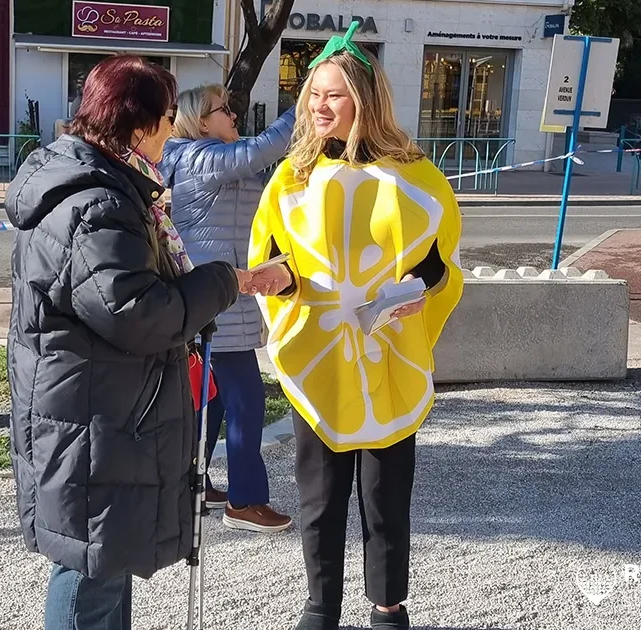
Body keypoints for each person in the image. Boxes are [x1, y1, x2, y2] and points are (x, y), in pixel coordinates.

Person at [4, 55, 250, 630]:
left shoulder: (99, 183)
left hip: (94, 405)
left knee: (105, 559)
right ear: (138, 126)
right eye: (165, 118)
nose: (171, 129)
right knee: (91, 567)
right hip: (94, 415)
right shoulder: (100, 204)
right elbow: (138, 313)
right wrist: (224, 281)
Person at [245, 22, 464, 630]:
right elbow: (280, 256)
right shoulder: (291, 177)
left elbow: (437, 259)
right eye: (313, 94)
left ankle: (388, 607)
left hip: (387, 354)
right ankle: (321, 608)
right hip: (319, 361)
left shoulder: (412, 174)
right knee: (319, 497)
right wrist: (274, 279)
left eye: (333, 95)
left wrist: (420, 288)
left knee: (384, 496)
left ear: (364, 100)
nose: (319, 106)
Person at [160, 84, 296, 533]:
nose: (235, 116)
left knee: (212, 401)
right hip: (217, 302)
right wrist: (306, 104)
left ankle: (192, 487)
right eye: (225, 110)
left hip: (222, 298)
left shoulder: (216, 160)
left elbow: (264, 170)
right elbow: (261, 150)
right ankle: (245, 501)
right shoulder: (199, 158)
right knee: (246, 402)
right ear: (202, 121)